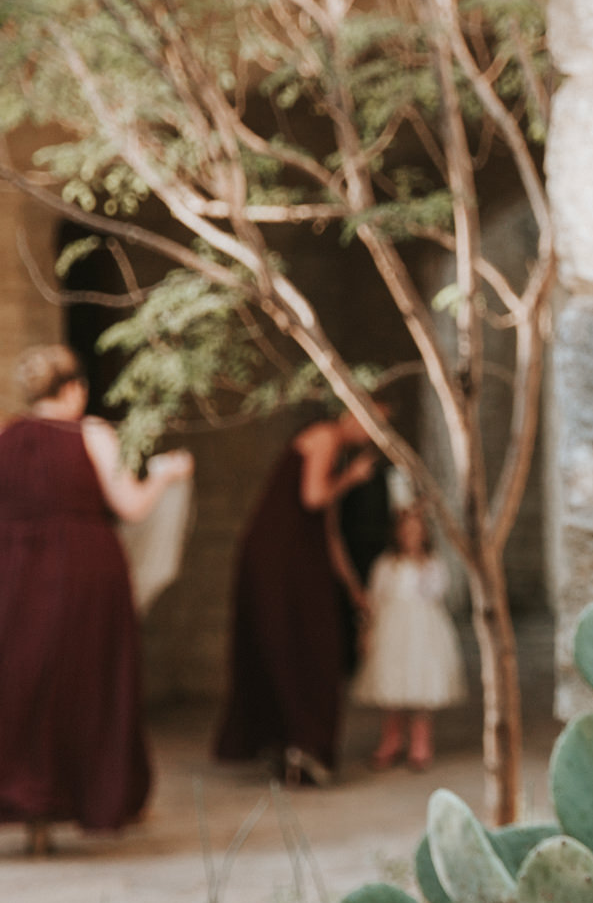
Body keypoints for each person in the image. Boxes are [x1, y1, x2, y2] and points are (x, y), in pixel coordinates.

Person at [0, 346, 192, 855]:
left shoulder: (5, 438)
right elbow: (129, 505)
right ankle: (80, 796)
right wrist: (165, 475)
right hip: (84, 578)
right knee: (85, 684)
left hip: (14, 581)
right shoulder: (90, 433)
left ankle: (27, 799)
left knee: (21, 684)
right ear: (74, 390)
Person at [212, 408, 382, 784]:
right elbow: (313, 496)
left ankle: (303, 749)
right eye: (371, 421)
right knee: (294, 648)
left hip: (303, 565)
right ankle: (296, 745)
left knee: (314, 649)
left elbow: (329, 531)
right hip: (281, 563)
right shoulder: (324, 435)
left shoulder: (335, 453)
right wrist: (351, 479)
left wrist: (353, 587)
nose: (372, 434)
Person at [351, 504, 465, 771]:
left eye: (417, 531)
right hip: (393, 630)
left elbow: (436, 593)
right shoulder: (386, 565)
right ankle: (390, 742)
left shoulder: (434, 564)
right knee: (394, 687)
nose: (411, 536)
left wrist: (423, 566)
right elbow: (375, 600)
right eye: (406, 531)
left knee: (421, 686)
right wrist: (366, 632)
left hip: (423, 632)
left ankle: (420, 745)